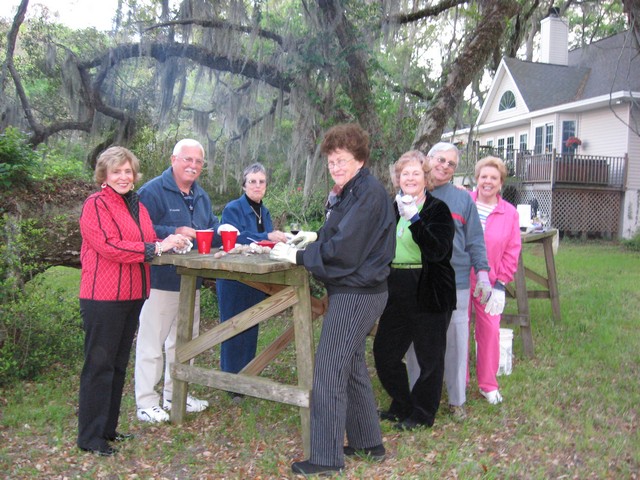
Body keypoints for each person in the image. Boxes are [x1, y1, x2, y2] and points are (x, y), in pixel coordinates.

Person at [270, 123, 396, 476]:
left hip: (357, 293)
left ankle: (325, 459)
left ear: (359, 159)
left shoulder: (368, 194)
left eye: (341, 160)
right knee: (352, 364)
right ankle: (369, 443)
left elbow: (344, 251)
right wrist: (307, 241)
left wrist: (296, 257)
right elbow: (333, 234)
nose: (335, 168)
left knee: (328, 371)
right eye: (330, 162)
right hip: (357, 290)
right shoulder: (351, 192)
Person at [77, 147, 187, 455]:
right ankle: (90, 437)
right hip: (103, 297)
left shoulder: (136, 204)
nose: (123, 177)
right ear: (104, 175)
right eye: (117, 172)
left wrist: (170, 242)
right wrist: (155, 249)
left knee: (117, 364)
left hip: (133, 294)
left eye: (128, 171)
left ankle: (107, 429)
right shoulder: (95, 204)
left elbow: (149, 239)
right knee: (99, 366)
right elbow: (109, 246)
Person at [134, 138, 221, 423]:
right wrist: (175, 230)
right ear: (174, 159)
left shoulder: (201, 196)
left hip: (190, 282)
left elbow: (209, 230)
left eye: (198, 161)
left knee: (184, 341)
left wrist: (228, 231)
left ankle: (175, 394)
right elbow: (138, 230)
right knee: (152, 342)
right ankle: (146, 401)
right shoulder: (152, 192)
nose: (192, 165)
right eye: (187, 159)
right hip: (159, 282)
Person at [406, 142, 491, 421]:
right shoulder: (410, 190)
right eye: (440, 159)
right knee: (416, 341)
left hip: (454, 281)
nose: (444, 166)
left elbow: (475, 240)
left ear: (455, 170)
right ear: (427, 159)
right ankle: (415, 397)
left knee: (455, 341)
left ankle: (457, 400)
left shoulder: (462, 199)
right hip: (416, 277)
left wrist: (483, 273)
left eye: (451, 163)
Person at [373, 150, 456, 431]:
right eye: (404, 173)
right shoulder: (391, 207)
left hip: (429, 285)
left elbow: (438, 250)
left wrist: (416, 220)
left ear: (426, 178)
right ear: (398, 178)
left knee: (429, 357)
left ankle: (422, 414)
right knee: (385, 353)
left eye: (415, 173)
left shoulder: (437, 210)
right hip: (396, 284)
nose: (409, 177)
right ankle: (402, 403)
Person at [216, 163, 288, 387]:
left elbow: (264, 245)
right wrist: (268, 235)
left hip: (256, 278)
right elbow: (232, 237)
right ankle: (230, 382)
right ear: (244, 184)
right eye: (252, 181)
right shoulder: (232, 208)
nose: (257, 186)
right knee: (232, 327)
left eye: (261, 181)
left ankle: (247, 375)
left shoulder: (264, 211)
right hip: (234, 279)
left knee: (251, 326)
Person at [469, 156, 521, 404]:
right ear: (476, 179)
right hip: (460, 277)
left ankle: (488, 384)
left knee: (489, 330)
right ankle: (459, 381)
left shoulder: (509, 213)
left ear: (501, 183)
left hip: (489, 282)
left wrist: (500, 284)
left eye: (493, 178)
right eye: (483, 177)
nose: (487, 182)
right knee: (457, 331)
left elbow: (512, 250)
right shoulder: (464, 202)